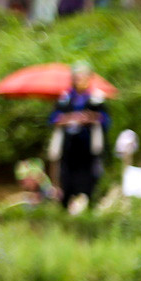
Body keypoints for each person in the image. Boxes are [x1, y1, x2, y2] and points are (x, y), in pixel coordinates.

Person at [48, 62, 111, 213]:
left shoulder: (96, 98)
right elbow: (52, 119)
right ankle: (65, 208)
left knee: (88, 181)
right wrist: (66, 118)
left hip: (88, 148)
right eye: (77, 77)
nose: (80, 80)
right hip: (69, 147)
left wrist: (92, 118)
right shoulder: (65, 98)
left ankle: (88, 207)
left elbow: (106, 120)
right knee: (67, 180)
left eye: (83, 77)